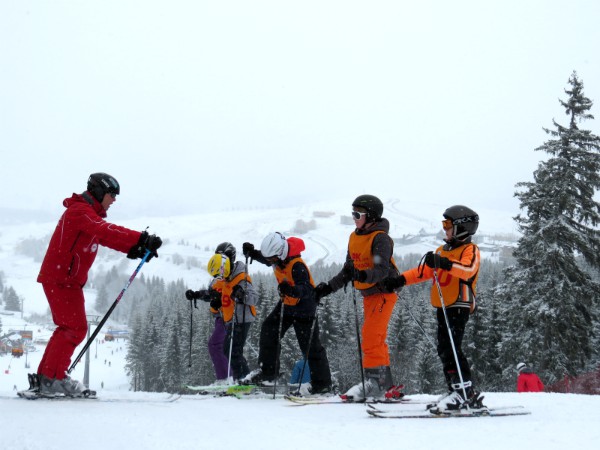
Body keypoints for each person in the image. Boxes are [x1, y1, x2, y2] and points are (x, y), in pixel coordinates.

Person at [32, 173, 162, 397]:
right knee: (74, 328)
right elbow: (103, 230)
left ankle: (48, 378)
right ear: (100, 192)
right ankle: (52, 379)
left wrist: (134, 249)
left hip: (65, 279)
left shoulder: (87, 214)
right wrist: (140, 238)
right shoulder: (80, 211)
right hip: (62, 279)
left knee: (68, 328)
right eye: (112, 195)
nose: (114, 200)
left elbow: (105, 237)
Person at [385, 204, 485, 413]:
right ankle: (454, 390)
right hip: (443, 305)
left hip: (460, 304)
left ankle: (465, 392)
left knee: (452, 348)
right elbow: (424, 272)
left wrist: (444, 263)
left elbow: (467, 271)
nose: (444, 229)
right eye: (444, 224)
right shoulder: (443, 250)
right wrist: (399, 280)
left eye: (447, 225)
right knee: (444, 348)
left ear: (461, 227)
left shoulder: (469, 250)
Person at [315, 195, 400, 401]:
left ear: (370, 216)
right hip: (369, 295)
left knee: (371, 336)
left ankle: (376, 383)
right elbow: (348, 270)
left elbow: (382, 270)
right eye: (352, 213)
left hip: (384, 291)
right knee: (374, 337)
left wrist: (362, 276)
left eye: (357, 214)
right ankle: (382, 383)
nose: (353, 218)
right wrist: (327, 289)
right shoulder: (355, 237)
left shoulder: (380, 238)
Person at [242, 232, 333, 394]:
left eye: (271, 259)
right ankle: (268, 373)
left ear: (280, 254)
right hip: (287, 304)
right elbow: (266, 259)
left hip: (305, 309)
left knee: (310, 347)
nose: (270, 262)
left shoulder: (297, 265)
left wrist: (291, 289)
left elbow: (306, 289)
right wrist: (253, 253)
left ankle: (323, 384)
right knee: (269, 329)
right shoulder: (277, 258)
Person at [186, 242, 258, 382]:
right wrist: (196, 295)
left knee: (231, 350)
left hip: (241, 318)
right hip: (229, 319)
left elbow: (254, 298)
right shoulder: (223, 278)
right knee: (230, 350)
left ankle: (241, 379)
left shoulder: (240, 276)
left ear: (230, 258)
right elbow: (212, 294)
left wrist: (242, 295)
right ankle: (243, 379)